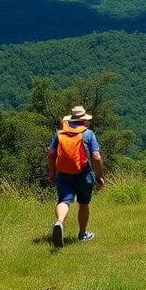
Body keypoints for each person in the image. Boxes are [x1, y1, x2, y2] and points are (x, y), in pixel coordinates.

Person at [48, 105, 104, 249]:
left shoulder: (60, 133)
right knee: (83, 203)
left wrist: (52, 173)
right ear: (84, 120)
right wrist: (99, 176)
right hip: (83, 174)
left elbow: (51, 154)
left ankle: (59, 222)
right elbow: (96, 157)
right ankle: (82, 234)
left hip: (63, 174)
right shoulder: (88, 134)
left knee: (64, 201)